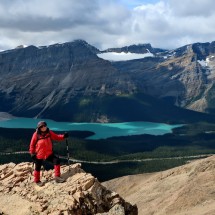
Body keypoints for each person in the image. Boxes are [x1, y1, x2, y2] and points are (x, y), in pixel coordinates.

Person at [29, 121, 69, 186]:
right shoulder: (36, 134)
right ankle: (37, 181)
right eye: (41, 126)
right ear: (39, 128)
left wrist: (64, 136)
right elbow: (32, 145)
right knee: (38, 167)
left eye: (44, 125)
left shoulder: (49, 132)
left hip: (48, 153)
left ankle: (57, 177)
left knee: (56, 161)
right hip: (39, 154)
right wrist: (32, 153)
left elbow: (56, 137)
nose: (44, 127)